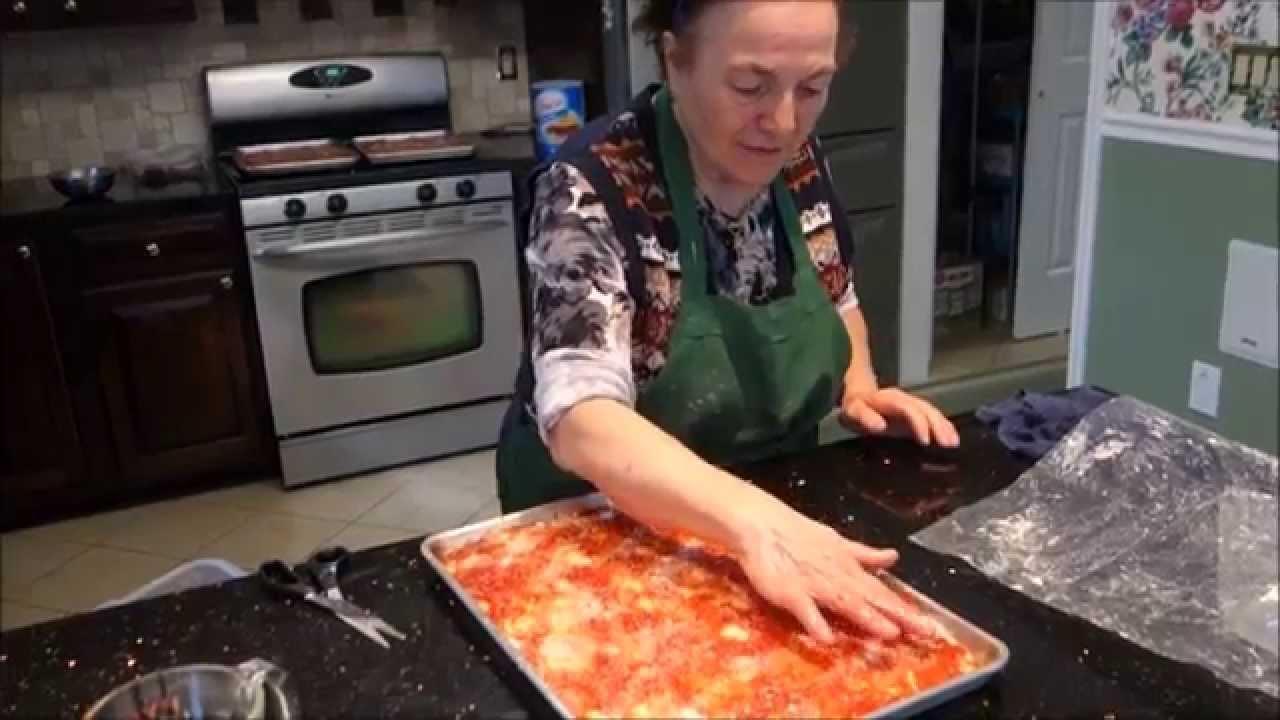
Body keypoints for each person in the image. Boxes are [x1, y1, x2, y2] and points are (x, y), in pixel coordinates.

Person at [496, 0, 959, 644]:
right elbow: (581, 420)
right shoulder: (592, 185)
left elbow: (837, 293)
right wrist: (755, 523)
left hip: (767, 512)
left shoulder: (795, 159)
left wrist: (860, 384)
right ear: (674, 57)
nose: (783, 120)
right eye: (750, 86)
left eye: (814, 88)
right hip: (601, 526)